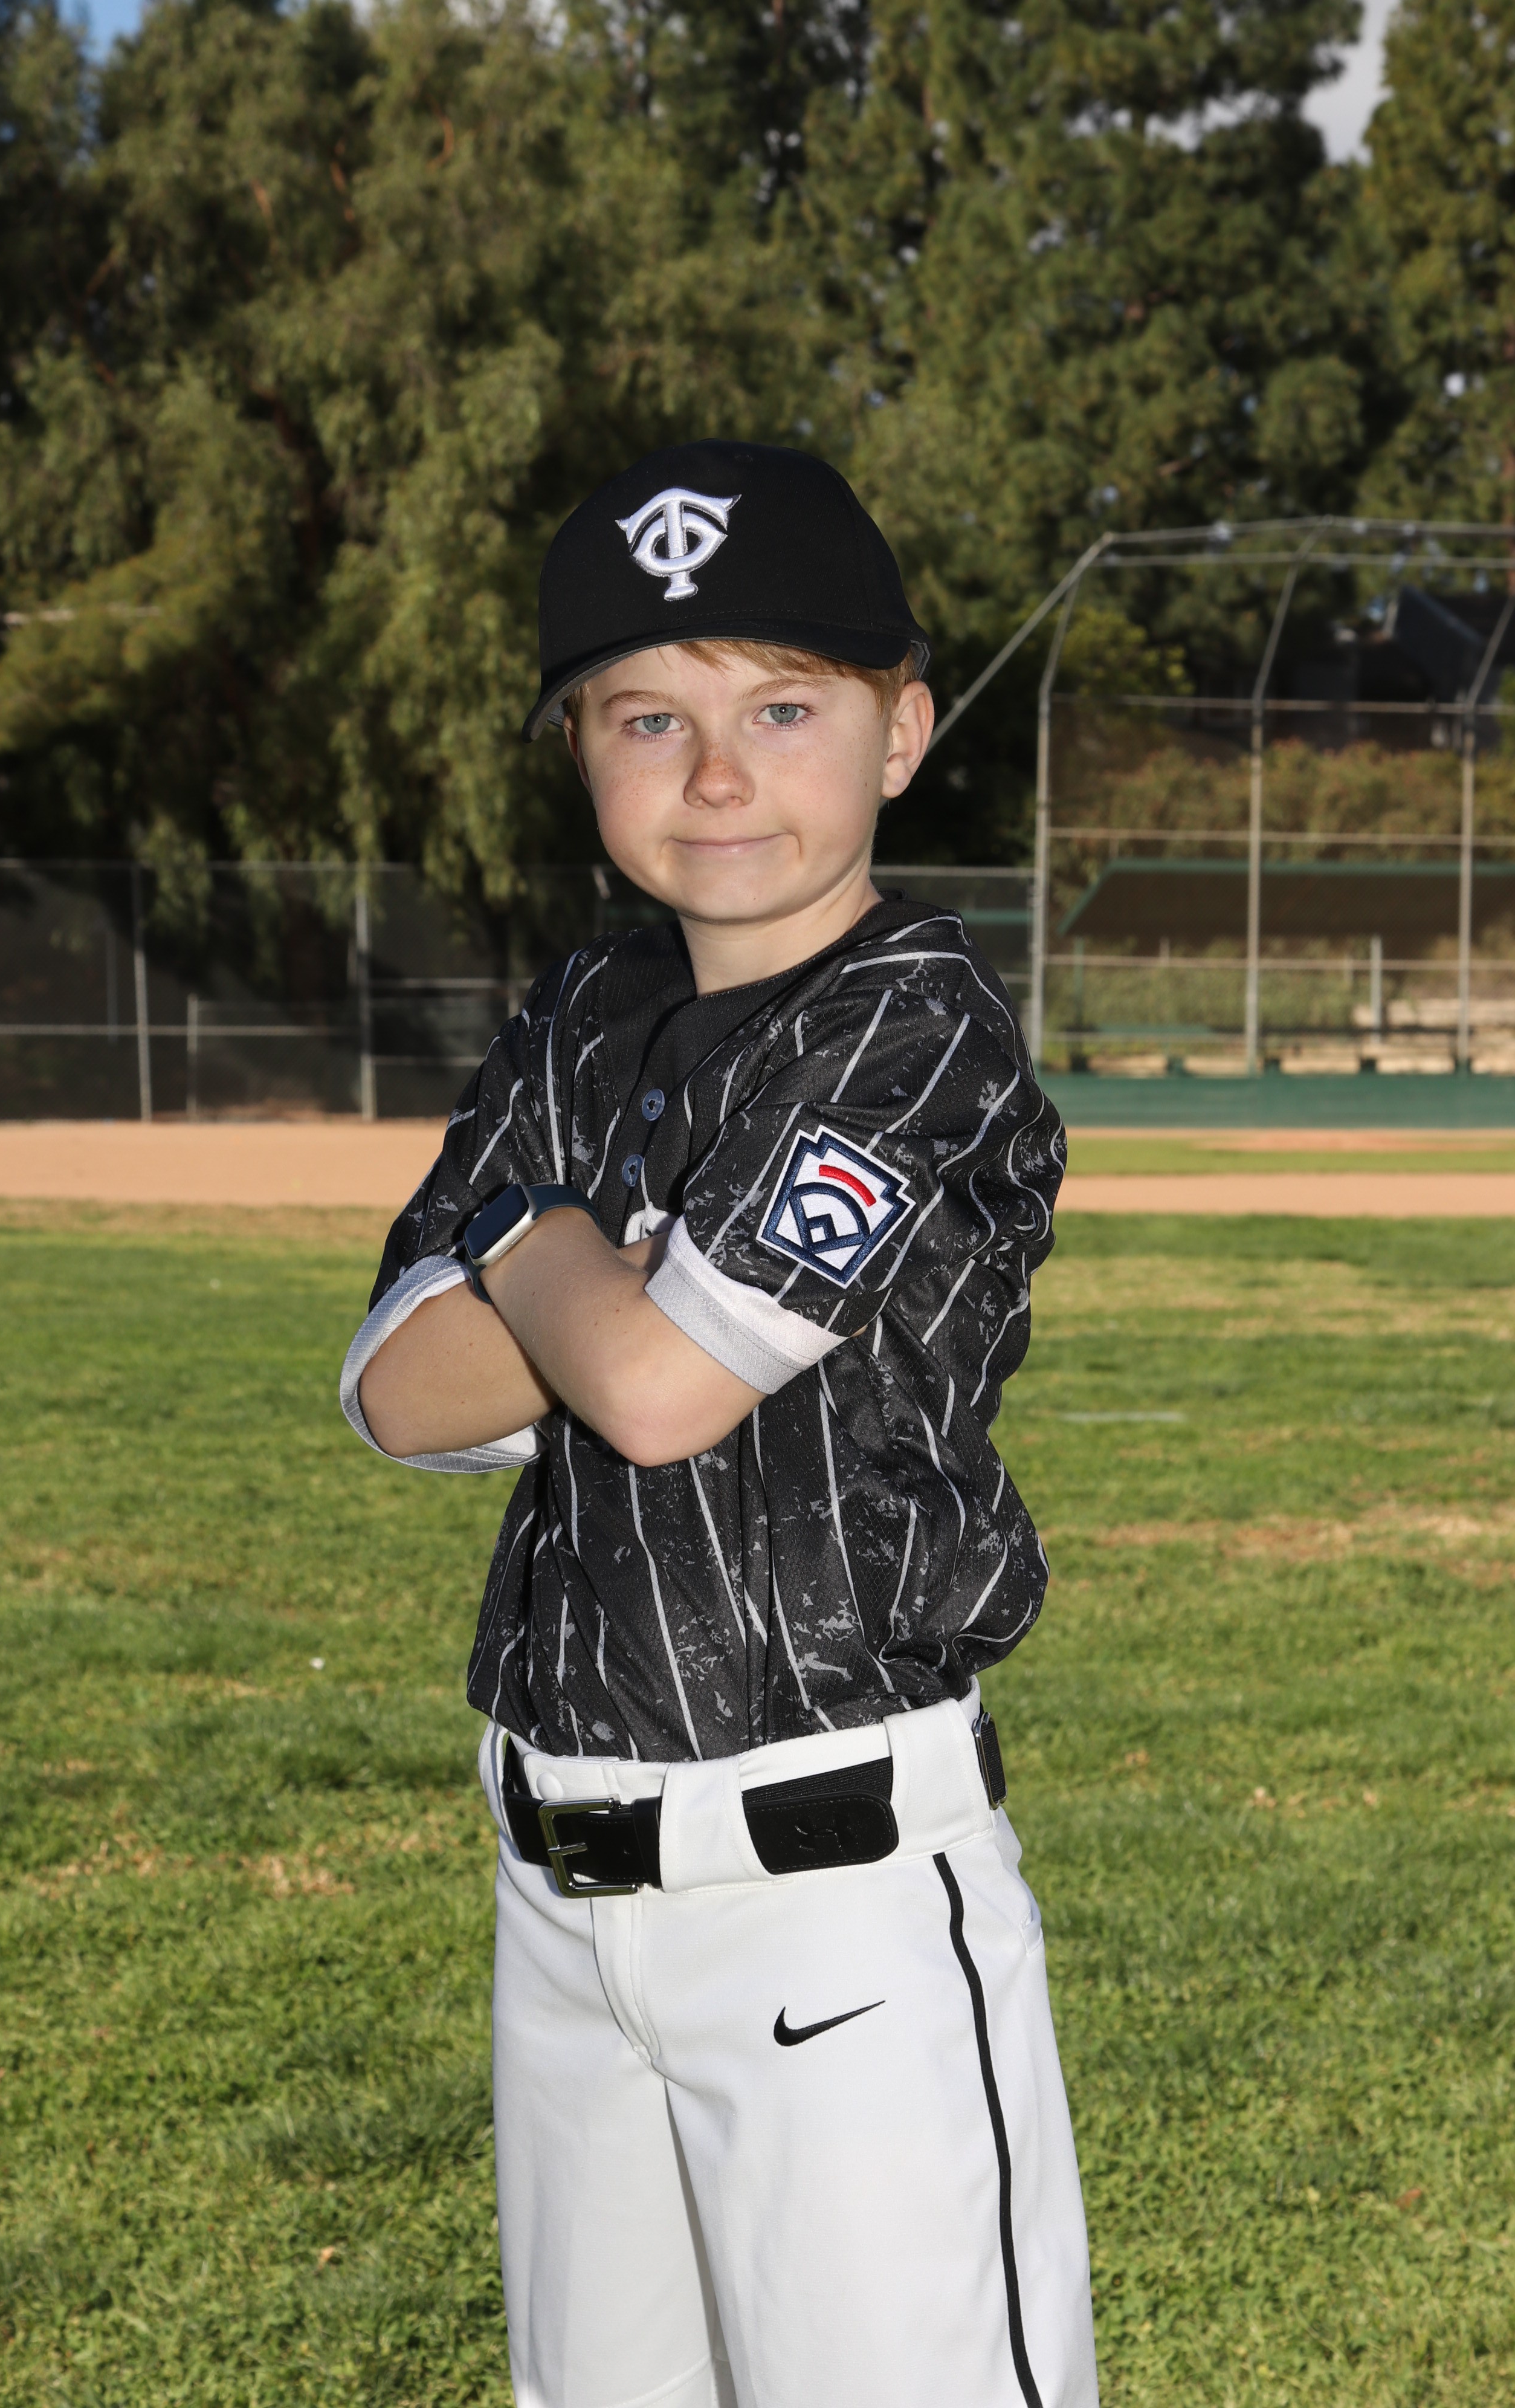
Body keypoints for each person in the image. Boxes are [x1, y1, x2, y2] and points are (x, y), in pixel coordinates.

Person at [341, 440, 1097, 2408]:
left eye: (783, 707)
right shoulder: (579, 1013)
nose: (716, 775)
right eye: (646, 718)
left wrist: (527, 1239)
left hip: (829, 1902)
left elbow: (662, 1395)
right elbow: (396, 1393)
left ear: (903, 729)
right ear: (579, 753)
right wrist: (602, 1273)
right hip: (561, 1900)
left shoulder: (915, 1020)